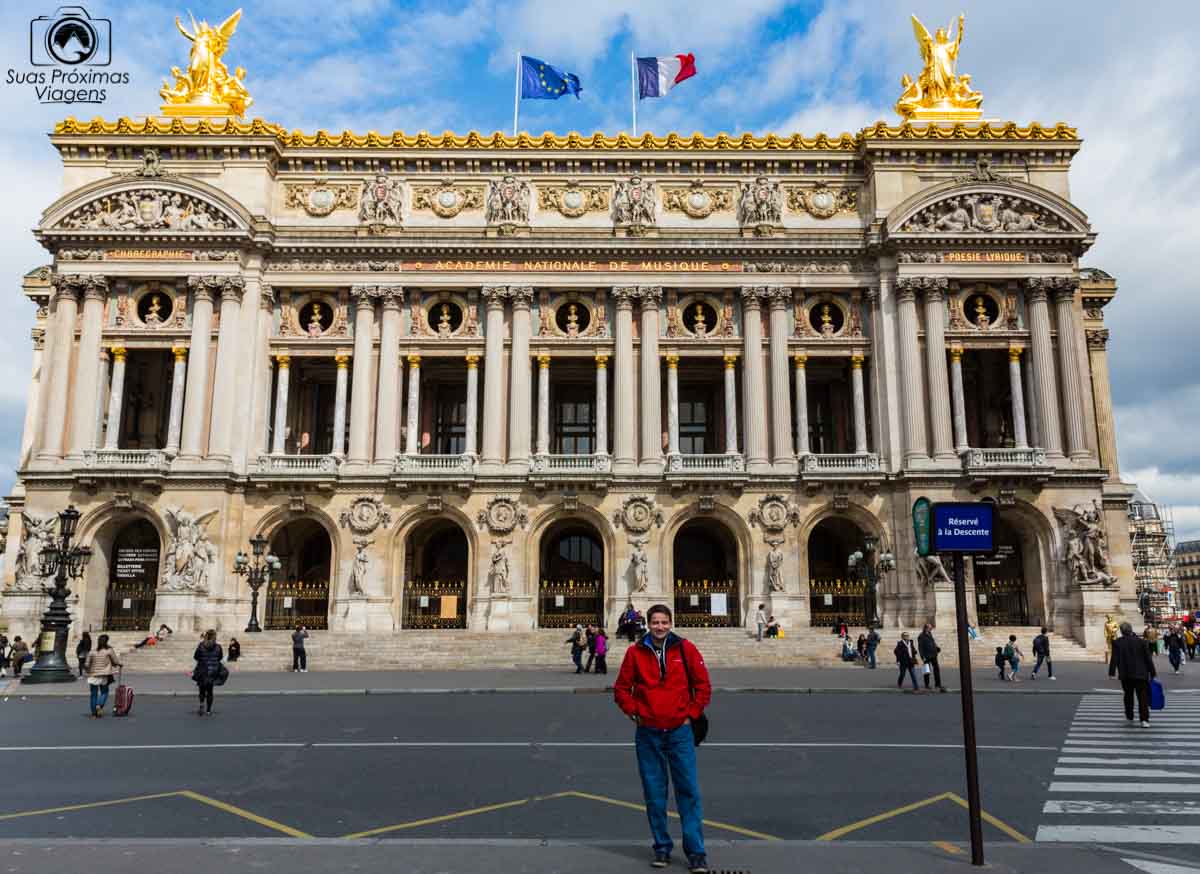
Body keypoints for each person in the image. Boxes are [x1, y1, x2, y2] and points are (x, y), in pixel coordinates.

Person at [613, 604, 711, 873]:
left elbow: (703, 686)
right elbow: (621, 689)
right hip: (648, 732)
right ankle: (662, 848)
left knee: (688, 792)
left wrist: (689, 714)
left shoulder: (686, 649)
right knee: (654, 795)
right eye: (655, 622)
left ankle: (696, 852)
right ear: (648, 623)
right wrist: (635, 713)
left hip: (680, 731)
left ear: (671, 623)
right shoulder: (635, 652)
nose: (660, 627)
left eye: (664, 622)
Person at [1109, 621, 1157, 727]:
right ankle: (1144, 720)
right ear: (1131, 630)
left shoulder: (1117, 643)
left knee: (1128, 696)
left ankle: (1130, 717)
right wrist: (1153, 673)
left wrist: (1112, 673)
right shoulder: (1142, 642)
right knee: (1142, 697)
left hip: (1126, 674)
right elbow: (1148, 659)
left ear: (1121, 631)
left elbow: (1114, 658)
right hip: (1141, 674)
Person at [85, 634, 121, 718]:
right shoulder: (109, 650)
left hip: (93, 674)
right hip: (104, 675)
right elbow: (115, 661)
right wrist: (119, 664)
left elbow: (87, 664)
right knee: (104, 692)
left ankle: (94, 714)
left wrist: (88, 670)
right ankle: (99, 705)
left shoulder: (92, 651)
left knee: (93, 694)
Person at [192, 629, 225, 716]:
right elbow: (220, 657)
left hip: (202, 671)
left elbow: (195, 656)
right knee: (210, 691)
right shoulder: (218, 647)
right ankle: (208, 710)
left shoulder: (201, 645)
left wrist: (202, 660)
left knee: (202, 690)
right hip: (212, 671)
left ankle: (201, 703)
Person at [917, 624, 945, 692]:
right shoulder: (921, 636)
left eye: (931, 628)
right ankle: (926, 685)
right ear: (926, 628)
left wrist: (936, 648)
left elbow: (932, 642)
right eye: (930, 628)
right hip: (926, 656)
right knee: (926, 671)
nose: (931, 629)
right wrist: (922, 656)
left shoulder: (930, 634)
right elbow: (920, 647)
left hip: (933, 655)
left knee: (936, 670)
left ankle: (938, 684)